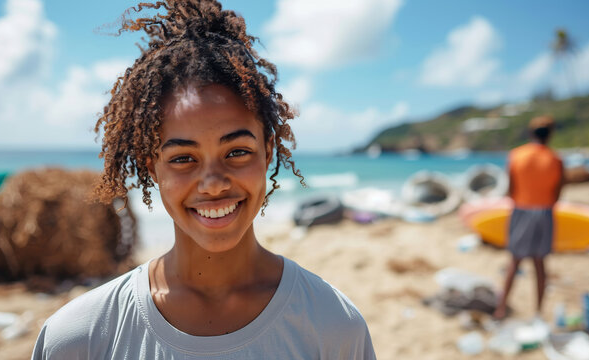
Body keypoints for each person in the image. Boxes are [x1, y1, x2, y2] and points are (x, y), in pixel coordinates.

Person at [31, 1, 376, 359]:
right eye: (183, 158)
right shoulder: (78, 339)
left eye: (237, 152)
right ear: (153, 168)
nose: (213, 184)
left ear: (268, 151)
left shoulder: (334, 326)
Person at [493, 115, 564, 320]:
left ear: (531, 133)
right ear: (550, 135)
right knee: (540, 264)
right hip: (544, 212)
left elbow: (510, 189)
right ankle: (538, 312)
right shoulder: (556, 159)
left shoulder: (516, 155)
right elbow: (557, 193)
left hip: (521, 210)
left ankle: (501, 308)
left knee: (514, 262)